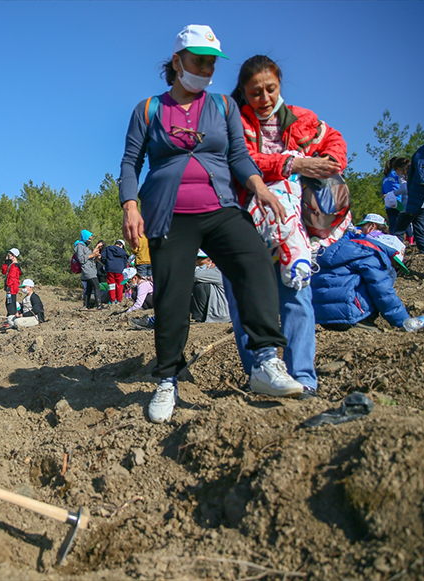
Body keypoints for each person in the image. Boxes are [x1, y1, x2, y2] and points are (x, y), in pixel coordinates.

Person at [119, 25, 302, 423]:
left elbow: (238, 156)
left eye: (211, 62)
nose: (205, 68)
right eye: (198, 60)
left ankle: (266, 363)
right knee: (172, 294)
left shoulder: (223, 106)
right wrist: (130, 206)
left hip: (220, 208)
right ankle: (167, 381)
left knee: (254, 263)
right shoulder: (148, 109)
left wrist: (260, 188)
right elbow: (131, 162)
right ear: (177, 62)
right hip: (169, 215)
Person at [226, 54, 348, 399]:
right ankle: (258, 373)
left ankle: (304, 378)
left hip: (292, 222)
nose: (264, 99)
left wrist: (329, 162)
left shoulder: (303, 119)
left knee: (297, 291)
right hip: (244, 218)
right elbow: (242, 160)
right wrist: (294, 162)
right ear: (244, 93)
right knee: (243, 298)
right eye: (255, 93)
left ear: (279, 85)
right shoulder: (235, 123)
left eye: (270, 89)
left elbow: (334, 139)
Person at [311, 233, 410, 330]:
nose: (394, 267)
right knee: (379, 283)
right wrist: (404, 323)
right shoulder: (372, 257)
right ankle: (364, 320)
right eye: (395, 264)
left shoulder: (345, 250)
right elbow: (384, 293)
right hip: (348, 315)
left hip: (320, 315)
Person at [394, 142, 424, 256]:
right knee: (419, 230)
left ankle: (396, 251)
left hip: (413, 204)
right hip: (423, 205)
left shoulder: (422, 153)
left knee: (399, 230)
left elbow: (411, 187)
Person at [191, 250, 230, 323]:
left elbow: (195, 276)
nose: (197, 261)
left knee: (199, 285)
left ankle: (199, 317)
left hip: (220, 314)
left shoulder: (218, 271)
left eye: (200, 259)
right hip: (225, 312)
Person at [74, 231, 104, 310]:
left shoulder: (85, 246)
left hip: (91, 269)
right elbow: (81, 259)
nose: (89, 241)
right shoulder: (79, 246)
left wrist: (95, 257)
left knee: (89, 288)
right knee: (96, 286)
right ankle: (99, 306)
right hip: (87, 270)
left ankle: (86, 305)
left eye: (91, 239)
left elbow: (89, 259)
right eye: (88, 239)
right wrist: (92, 255)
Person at [101, 240, 130, 305]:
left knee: (111, 285)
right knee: (119, 285)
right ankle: (119, 301)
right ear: (122, 245)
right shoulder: (123, 251)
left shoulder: (108, 248)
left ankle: (112, 300)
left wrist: (106, 263)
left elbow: (102, 257)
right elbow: (125, 261)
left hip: (109, 269)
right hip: (120, 269)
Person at [1, 248, 22, 322]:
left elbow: (12, 277)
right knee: (9, 302)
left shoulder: (15, 266)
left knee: (10, 304)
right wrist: (6, 262)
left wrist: (9, 286)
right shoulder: (11, 265)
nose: (8, 255)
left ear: (14, 255)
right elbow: (4, 272)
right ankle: (11, 319)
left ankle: (11, 320)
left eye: (10, 253)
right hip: (10, 287)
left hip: (12, 288)